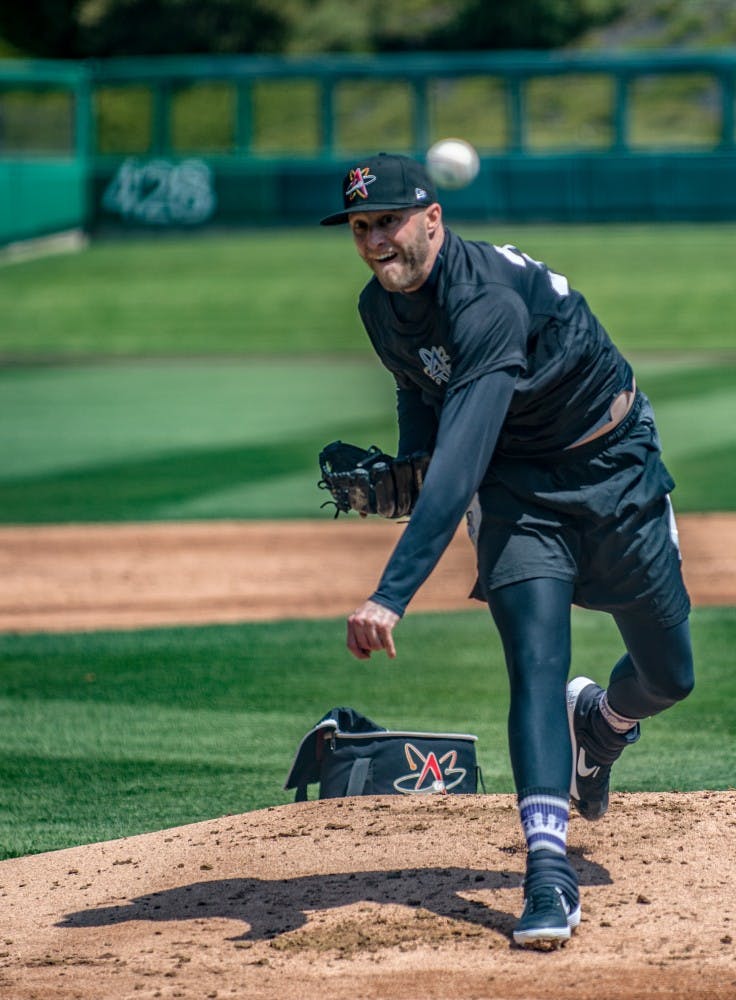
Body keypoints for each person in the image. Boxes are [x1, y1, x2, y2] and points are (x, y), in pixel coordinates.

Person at [319, 152, 694, 948]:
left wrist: (392, 592)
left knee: (670, 675)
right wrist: (407, 463)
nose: (377, 241)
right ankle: (548, 872)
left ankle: (603, 722)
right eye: (361, 227)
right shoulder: (379, 306)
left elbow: (458, 468)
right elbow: (421, 392)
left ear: (432, 219)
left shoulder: (484, 300)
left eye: (389, 222)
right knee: (535, 658)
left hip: (612, 465)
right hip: (519, 488)